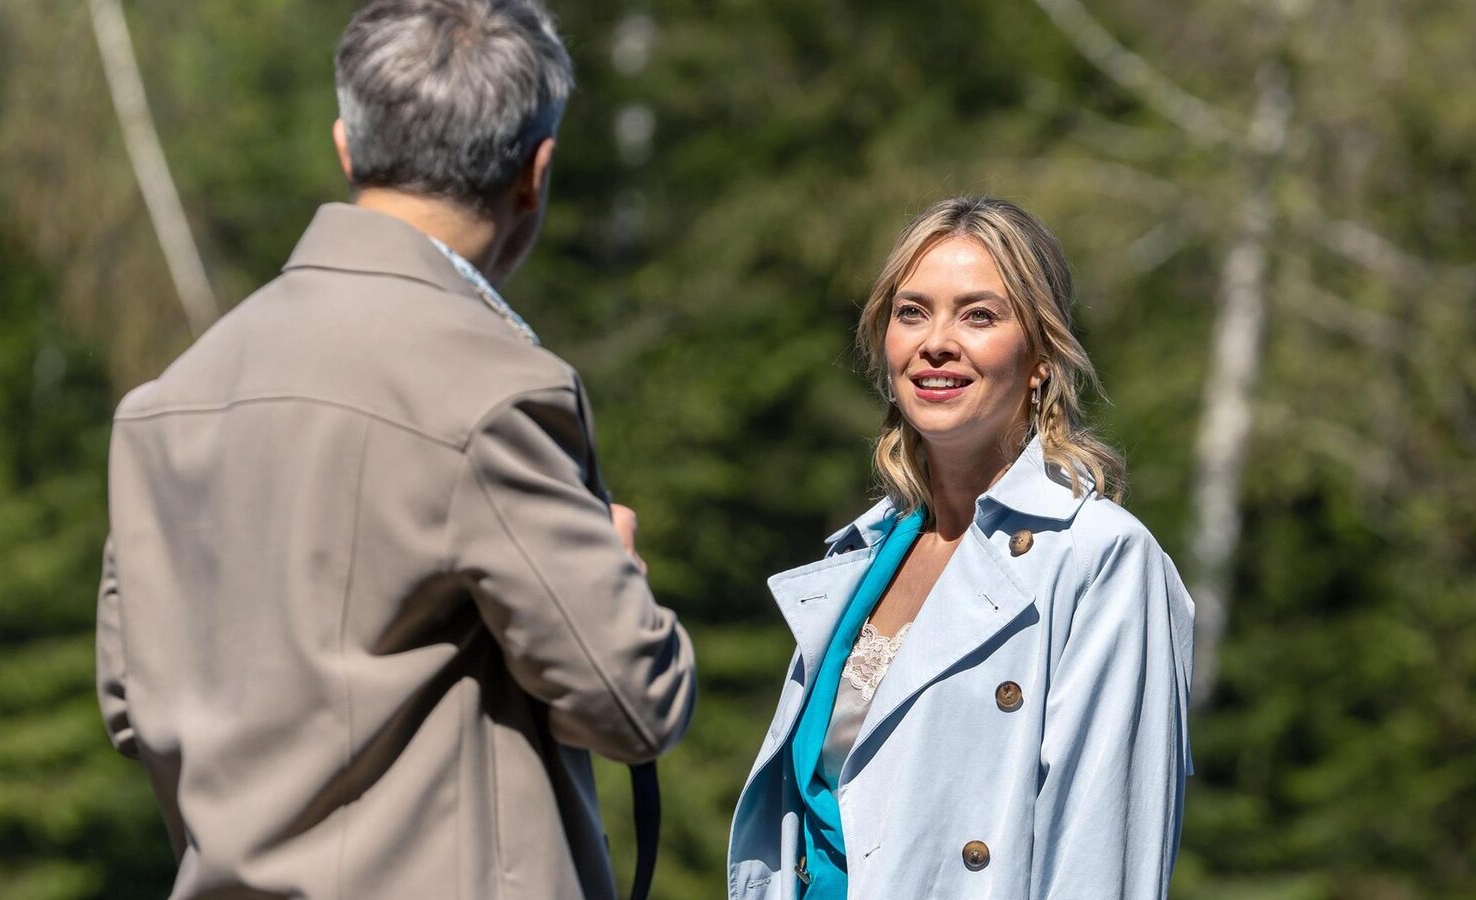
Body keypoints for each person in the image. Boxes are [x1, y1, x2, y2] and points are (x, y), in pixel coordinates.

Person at [95, 1, 696, 897]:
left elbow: (128, 702)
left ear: (347, 146)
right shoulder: (494, 390)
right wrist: (615, 575)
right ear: (536, 171)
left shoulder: (165, 402)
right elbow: (634, 702)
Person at [727, 196, 1195, 899]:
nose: (936, 341)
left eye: (979, 315)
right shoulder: (862, 556)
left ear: (1040, 356)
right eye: (912, 312)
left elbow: (1104, 860)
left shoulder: (1102, 559)